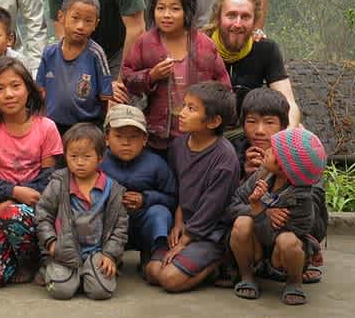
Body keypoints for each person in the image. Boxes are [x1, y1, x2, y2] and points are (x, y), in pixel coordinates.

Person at [0, 57, 63, 288]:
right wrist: (12, 192)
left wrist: (14, 200)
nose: (9, 94)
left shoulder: (46, 127)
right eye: (0, 88)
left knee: (13, 214)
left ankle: (32, 259)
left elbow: (49, 179)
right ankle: (11, 254)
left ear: (28, 89)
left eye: (15, 86)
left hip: (36, 210)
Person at [145, 81, 239, 292]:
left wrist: (184, 242)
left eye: (191, 109)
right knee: (153, 271)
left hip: (210, 231)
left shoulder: (224, 158)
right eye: (184, 105)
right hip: (186, 225)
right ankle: (191, 264)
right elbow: (179, 189)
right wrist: (178, 223)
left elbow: (212, 208)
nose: (182, 113)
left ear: (213, 121)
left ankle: (220, 259)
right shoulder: (178, 145)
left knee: (169, 279)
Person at [230, 88, 327, 284]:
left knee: (291, 239)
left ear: (283, 126)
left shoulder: (303, 153)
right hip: (256, 234)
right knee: (241, 223)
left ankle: (300, 261)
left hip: (289, 234)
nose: (259, 130)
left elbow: (312, 215)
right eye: (251, 121)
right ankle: (249, 269)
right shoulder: (233, 152)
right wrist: (245, 175)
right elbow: (227, 204)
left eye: (269, 122)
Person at [122, 0, 230, 156]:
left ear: (187, 12)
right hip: (158, 135)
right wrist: (151, 76)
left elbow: (224, 87)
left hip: (198, 134)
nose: (166, 15)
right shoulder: (145, 43)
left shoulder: (204, 45)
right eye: (160, 8)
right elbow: (127, 77)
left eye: (175, 9)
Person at [227, 128, 326, 305]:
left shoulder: (301, 200)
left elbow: (275, 236)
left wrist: (259, 209)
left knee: (288, 240)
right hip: (258, 249)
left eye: (273, 151)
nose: (267, 151)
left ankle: (294, 282)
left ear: (284, 168)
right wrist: (263, 210)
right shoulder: (263, 174)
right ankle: (246, 276)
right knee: (242, 223)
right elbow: (233, 205)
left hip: (281, 257)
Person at [35, 123, 129, 300]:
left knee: (101, 292)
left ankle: (87, 273)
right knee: (60, 291)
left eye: (86, 156)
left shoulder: (113, 190)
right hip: (64, 251)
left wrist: (110, 254)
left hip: (97, 253)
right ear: (65, 156)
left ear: (100, 157)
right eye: (73, 156)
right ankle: (54, 269)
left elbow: (120, 227)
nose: (79, 162)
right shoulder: (58, 183)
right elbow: (43, 214)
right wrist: (51, 243)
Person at [203, 0, 300, 127]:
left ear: (255, 22)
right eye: (231, 15)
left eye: (245, 17)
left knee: (299, 130)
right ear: (218, 18)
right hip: (206, 128)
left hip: (251, 129)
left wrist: (289, 132)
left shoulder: (265, 49)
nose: (237, 24)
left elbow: (288, 102)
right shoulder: (201, 46)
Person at [100, 104, 177, 269]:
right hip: (107, 226)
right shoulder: (98, 162)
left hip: (141, 223)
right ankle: (105, 256)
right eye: (118, 136)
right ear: (106, 138)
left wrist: (145, 199)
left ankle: (155, 253)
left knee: (160, 213)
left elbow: (173, 199)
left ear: (144, 139)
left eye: (134, 137)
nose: (126, 142)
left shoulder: (156, 164)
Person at [37, 0, 114, 138]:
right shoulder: (49, 53)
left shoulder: (96, 54)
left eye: (88, 21)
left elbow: (105, 98)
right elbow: (41, 92)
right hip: (53, 126)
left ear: (96, 24)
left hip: (86, 127)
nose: (80, 26)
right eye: (75, 18)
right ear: (61, 17)